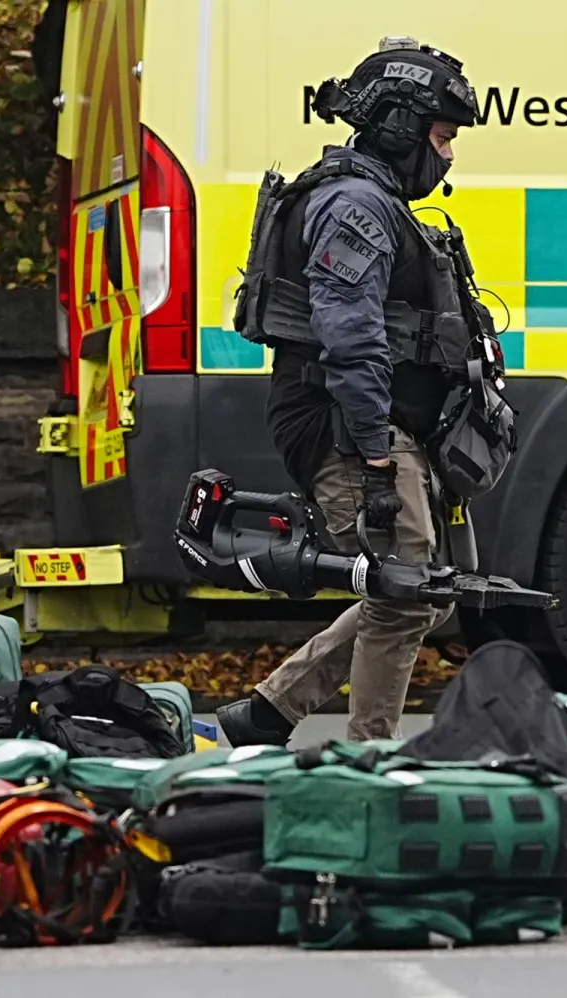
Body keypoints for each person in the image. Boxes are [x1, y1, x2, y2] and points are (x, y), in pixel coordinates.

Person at [217, 39, 487, 747]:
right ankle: (371, 758)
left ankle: (268, 714)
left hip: (366, 420)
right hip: (345, 421)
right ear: (401, 128)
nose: (449, 155)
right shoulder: (354, 205)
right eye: (442, 136)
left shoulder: (371, 198)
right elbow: (350, 332)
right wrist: (371, 450)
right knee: (404, 594)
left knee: (416, 589)